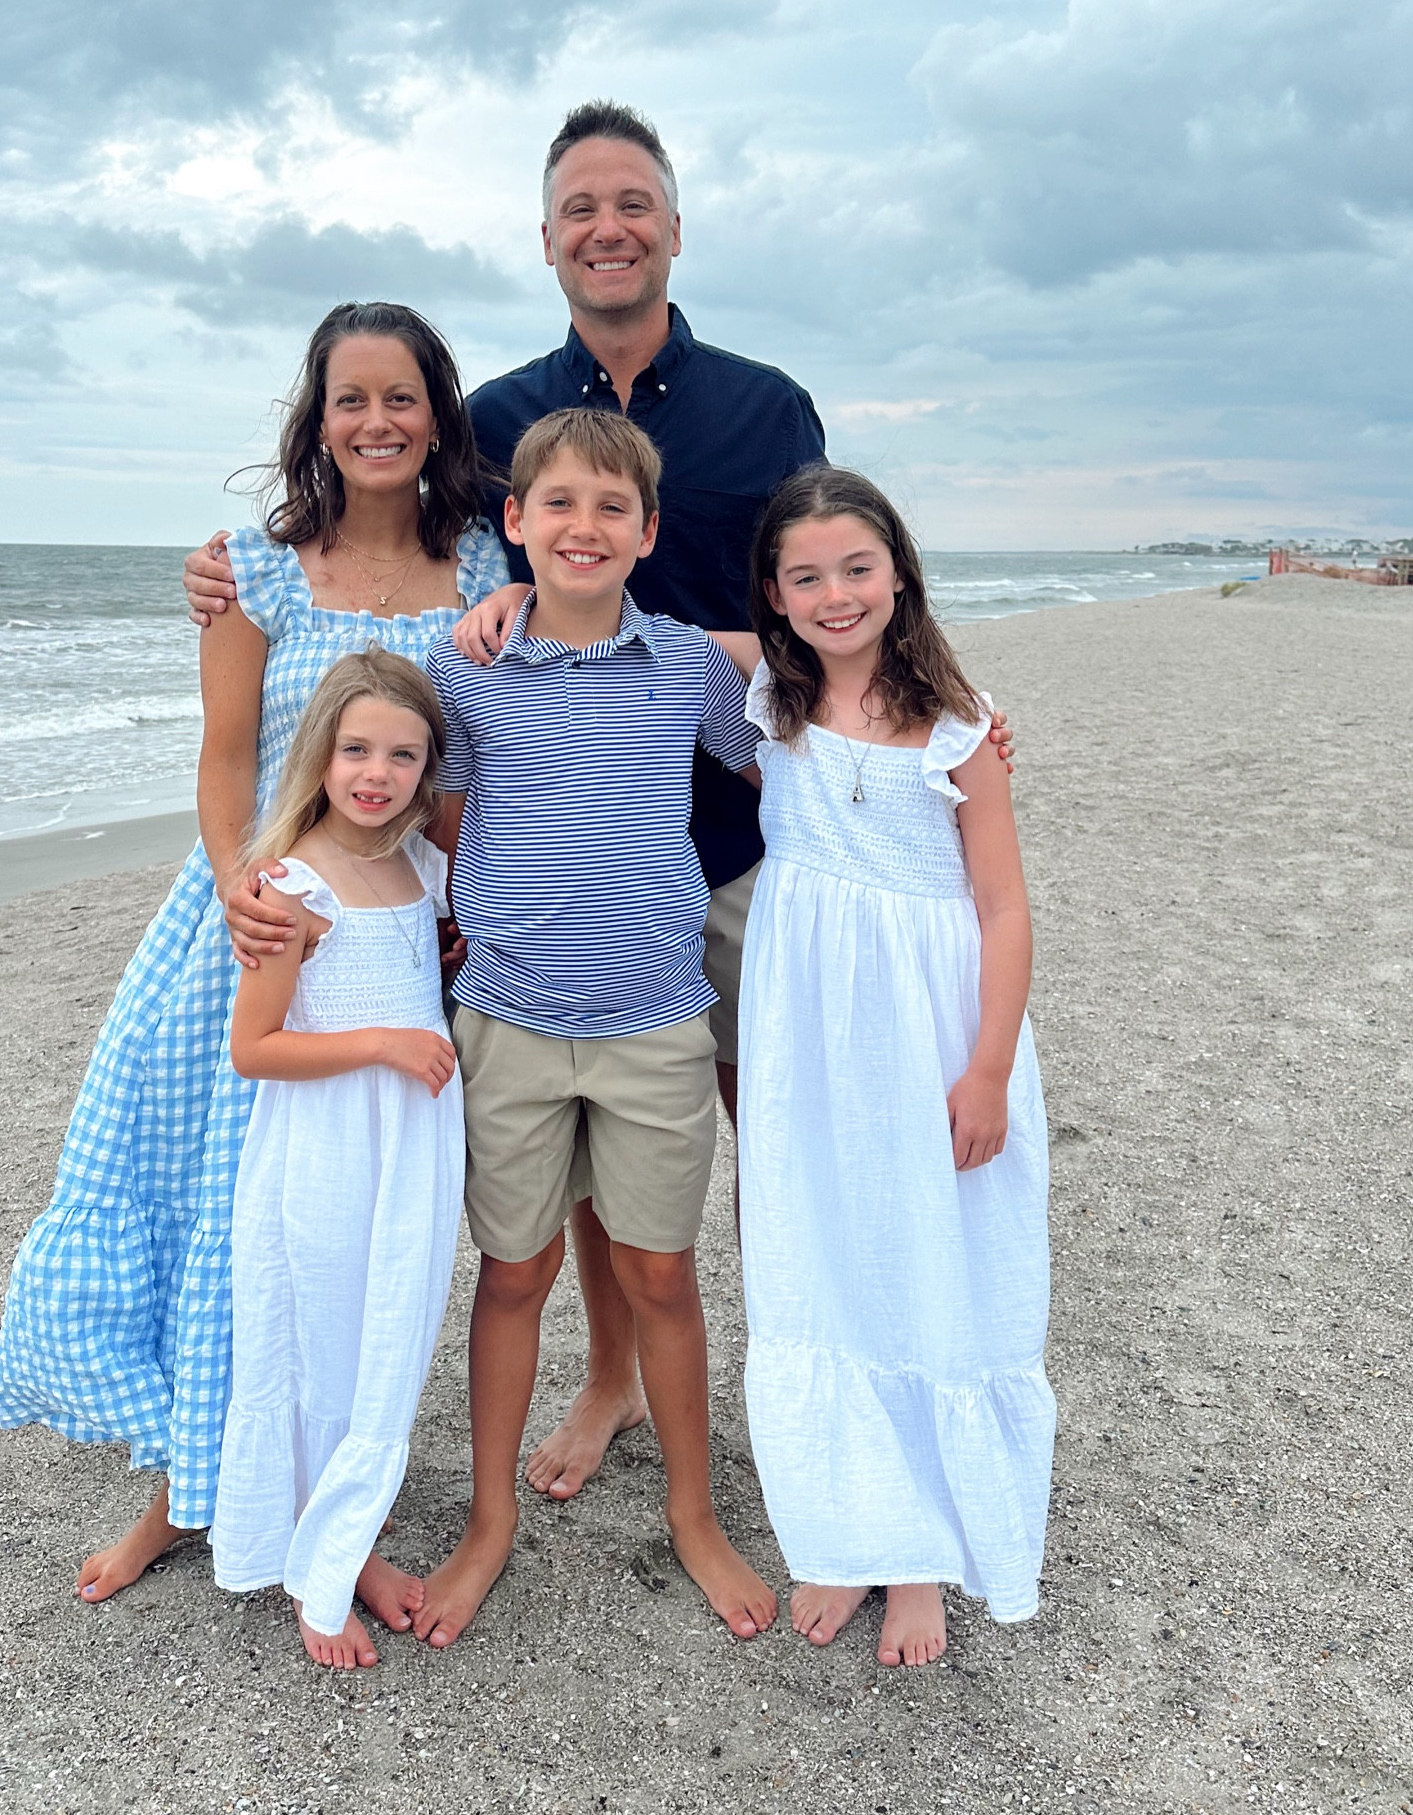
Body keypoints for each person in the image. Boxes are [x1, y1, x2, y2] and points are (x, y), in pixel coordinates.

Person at [185, 102, 1009, 1502]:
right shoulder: (500, 416)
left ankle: (815, 1393)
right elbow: (411, 553)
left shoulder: (765, 404)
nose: (607, 227)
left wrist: (932, 717)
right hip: (549, 857)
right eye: (580, 207)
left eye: (632, 203)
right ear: (546, 238)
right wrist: (230, 573)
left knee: (772, 1129)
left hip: (738, 839)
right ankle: (611, 1376)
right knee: (572, 1156)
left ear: (673, 227)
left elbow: (829, 586)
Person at [0, 302, 509, 1636]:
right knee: (210, 1219)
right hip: (257, 930)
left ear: (438, 415)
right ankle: (183, 1492)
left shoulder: (484, 566)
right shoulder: (253, 571)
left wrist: (461, 903)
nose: (377, 421)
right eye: (351, 399)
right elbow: (226, 760)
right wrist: (241, 888)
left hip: (395, 941)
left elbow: (475, 761)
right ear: (317, 420)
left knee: (341, 1240)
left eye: (401, 397)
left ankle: (337, 1506)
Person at [409, 408, 778, 1649]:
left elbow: (777, 764)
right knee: (513, 1272)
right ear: (514, 520)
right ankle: (489, 1519)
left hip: (659, 1023)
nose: (585, 525)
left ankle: (693, 1511)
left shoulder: (685, 664)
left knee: (661, 1272)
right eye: (558, 502)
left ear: (648, 530)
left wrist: (946, 771)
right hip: (506, 1020)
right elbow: (437, 807)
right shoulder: (464, 665)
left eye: (611, 506)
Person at [735, 465, 1055, 1666]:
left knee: (927, 1257)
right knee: (822, 1253)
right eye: (805, 575)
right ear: (774, 592)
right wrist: (504, 603)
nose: (835, 594)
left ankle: (919, 1551)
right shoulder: (769, 693)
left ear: (900, 573)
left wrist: (986, 1069)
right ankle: (848, 1522)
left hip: (933, 1031)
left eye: (857, 568)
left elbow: (1004, 907)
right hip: (807, 1039)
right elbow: (620, 619)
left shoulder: (960, 726)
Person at [213, 648, 463, 1671]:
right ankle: (323, 1568)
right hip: (325, 1144)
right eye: (356, 749)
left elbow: (421, 963)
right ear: (320, 752)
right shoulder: (289, 886)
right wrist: (383, 1041)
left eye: (403, 755)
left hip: (412, 1144)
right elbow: (254, 1047)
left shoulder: (422, 867)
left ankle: (347, 1533)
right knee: (319, 1341)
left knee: (388, 1335)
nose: (376, 773)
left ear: (428, 768)